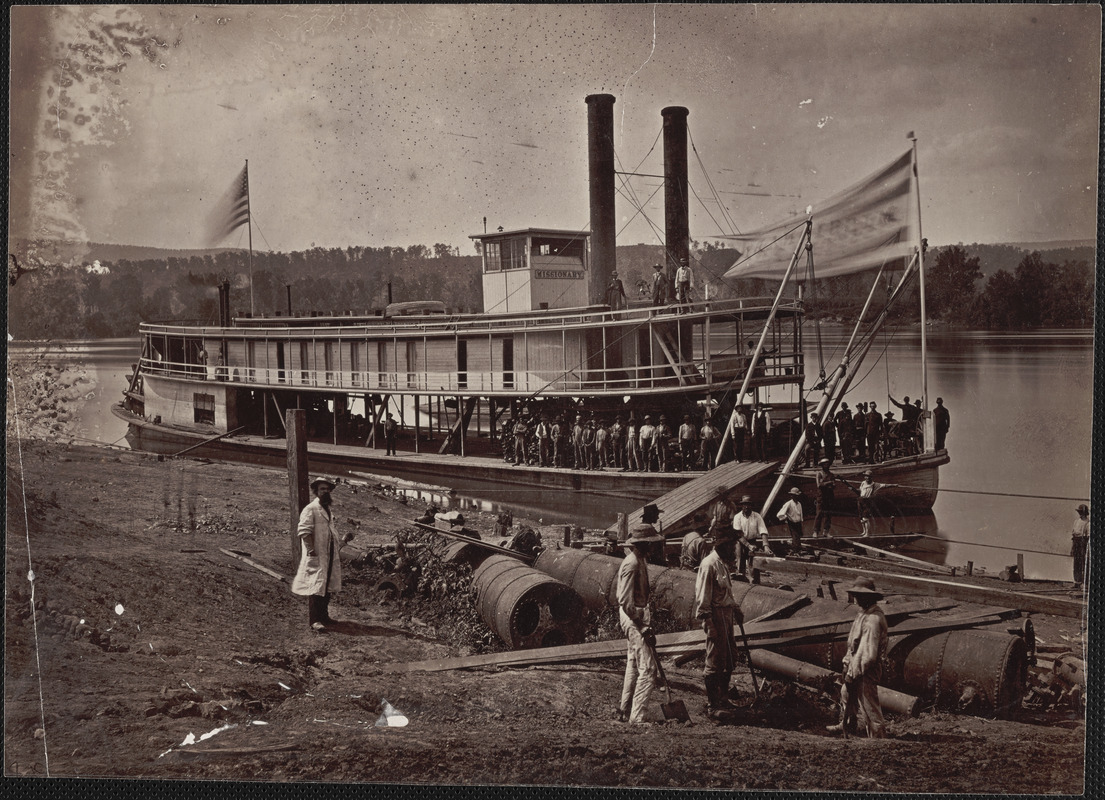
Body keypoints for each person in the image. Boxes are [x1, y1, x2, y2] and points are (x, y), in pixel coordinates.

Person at [827, 577, 889, 739]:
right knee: (846, 694)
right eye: (856, 595)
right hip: (855, 666)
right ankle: (848, 725)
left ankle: (879, 739)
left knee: (869, 708)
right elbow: (853, 646)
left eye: (860, 595)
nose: (857, 599)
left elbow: (867, 654)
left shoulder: (873, 620)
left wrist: (853, 673)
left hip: (866, 670)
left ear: (869, 597)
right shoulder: (863, 614)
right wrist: (847, 665)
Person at [616, 517, 663, 723]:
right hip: (632, 617)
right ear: (643, 545)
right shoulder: (632, 564)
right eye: (651, 543)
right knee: (649, 668)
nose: (653, 547)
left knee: (633, 664)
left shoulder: (640, 561)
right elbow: (625, 601)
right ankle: (638, 717)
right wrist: (641, 625)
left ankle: (624, 710)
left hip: (637, 616)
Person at [291, 477, 354, 633]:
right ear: (316, 491)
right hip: (316, 554)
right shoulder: (310, 509)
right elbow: (304, 531)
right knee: (315, 586)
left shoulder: (327, 508)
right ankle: (315, 620)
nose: (325, 492)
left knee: (326, 586)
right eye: (322, 489)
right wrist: (311, 550)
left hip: (329, 554)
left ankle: (324, 616)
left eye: (327, 489)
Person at [694, 525, 744, 720]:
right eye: (731, 545)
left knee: (730, 657)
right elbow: (702, 598)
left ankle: (723, 698)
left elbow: (727, 593)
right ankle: (713, 705)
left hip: (727, 616)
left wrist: (736, 608)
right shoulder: (709, 565)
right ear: (722, 545)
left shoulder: (722, 563)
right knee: (714, 661)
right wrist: (709, 624)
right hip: (714, 616)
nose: (733, 549)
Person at [731, 495, 768, 579]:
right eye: (744, 504)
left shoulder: (757, 516)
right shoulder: (737, 517)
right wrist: (748, 545)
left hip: (752, 540)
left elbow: (763, 531)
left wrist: (766, 546)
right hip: (740, 541)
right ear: (741, 505)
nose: (746, 507)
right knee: (740, 561)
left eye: (748, 504)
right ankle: (741, 579)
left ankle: (755, 582)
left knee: (754, 563)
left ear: (751, 505)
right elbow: (738, 534)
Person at [855, 470, 883, 537]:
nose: (866, 478)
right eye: (866, 476)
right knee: (861, 518)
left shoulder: (874, 484)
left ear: (871, 477)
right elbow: (860, 490)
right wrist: (853, 489)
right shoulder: (863, 483)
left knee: (865, 518)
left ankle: (867, 533)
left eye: (868, 477)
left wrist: (894, 485)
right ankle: (864, 531)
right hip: (860, 500)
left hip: (867, 502)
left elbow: (884, 485)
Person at [813, 458, 837, 537]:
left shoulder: (831, 474)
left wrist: (831, 485)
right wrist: (829, 483)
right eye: (825, 464)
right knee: (819, 514)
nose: (826, 465)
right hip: (821, 496)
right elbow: (819, 485)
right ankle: (816, 531)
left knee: (828, 515)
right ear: (822, 465)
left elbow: (834, 486)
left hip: (829, 496)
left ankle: (826, 531)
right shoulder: (819, 473)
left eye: (827, 464)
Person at [1071, 503, 1090, 587]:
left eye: (1081, 512)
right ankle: (1077, 582)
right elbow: (1073, 534)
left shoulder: (1088, 523)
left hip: (1083, 542)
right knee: (1076, 562)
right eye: (1079, 512)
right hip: (1076, 542)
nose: (1080, 514)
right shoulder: (1076, 521)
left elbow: (1088, 536)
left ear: (1085, 513)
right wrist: (1072, 546)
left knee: (1083, 562)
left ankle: (1085, 583)